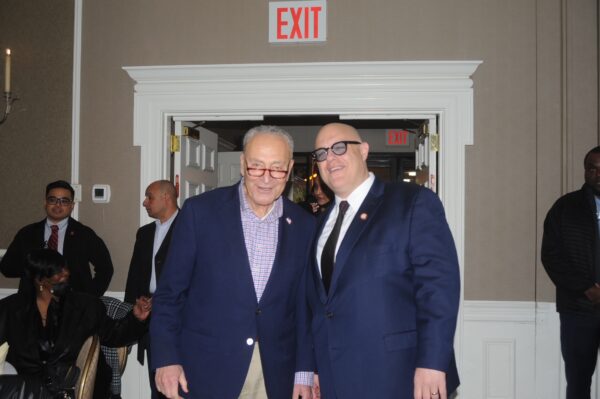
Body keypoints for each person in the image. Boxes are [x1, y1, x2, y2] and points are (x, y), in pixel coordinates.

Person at [150, 125, 316, 399]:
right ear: (242, 164)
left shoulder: (304, 225)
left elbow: (303, 307)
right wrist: (166, 358)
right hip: (204, 371)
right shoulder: (199, 212)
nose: (266, 178)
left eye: (277, 168)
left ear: (289, 169)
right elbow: (170, 295)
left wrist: (303, 372)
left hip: (275, 375)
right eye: (256, 166)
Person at [306, 123, 460, 399]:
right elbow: (320, 304)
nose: (330, 158)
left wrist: (432, 362)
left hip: (399, 375)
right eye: (321, 153)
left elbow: (438, 288)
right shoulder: (320, 223)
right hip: (334, 377)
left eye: (339, 147)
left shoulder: (411, 202)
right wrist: (316, 367)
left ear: (364, 151)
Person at [0, 249, 151, 398]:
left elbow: (114, 334)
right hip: (27, 390)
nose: (65, 274)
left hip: (75, 388)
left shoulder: (86, 306)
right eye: (57, 272)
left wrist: (136, 318)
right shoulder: (9, 310)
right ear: (39, 279)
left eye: (65, 270)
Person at [541, 146, 600, 399]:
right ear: (585, 171)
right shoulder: (565, 207)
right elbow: (552, 256)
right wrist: (586, 287)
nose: (598, 174)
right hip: (578, 310)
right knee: (578, 383)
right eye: (592, 168)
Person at [0, 180, 113, 297]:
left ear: (72, 206)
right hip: (33, 302)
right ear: (45, 203)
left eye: (64, 201)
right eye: (52, 200)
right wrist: (37, 268)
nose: (58, 205)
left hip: (72, 303)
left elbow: (105, 268)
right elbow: (7, 268)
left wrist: (89, 297)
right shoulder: (28, 233)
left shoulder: (84, 234)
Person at [124, 180, 179, 399]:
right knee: (156, 382)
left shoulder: (190, 225)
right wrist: (133, 308)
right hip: (149, 318)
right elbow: (135, 273)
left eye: (150, 197)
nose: (144, 202)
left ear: (167, 197)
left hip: (181, 320)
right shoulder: (145, 233)